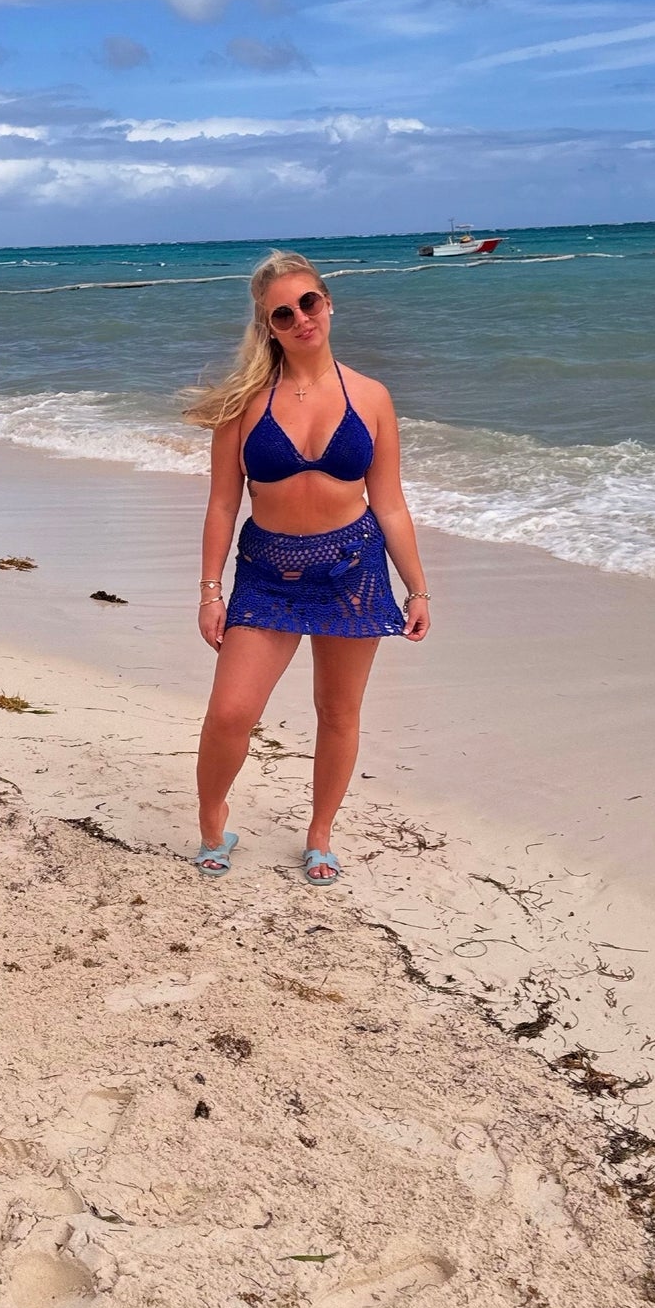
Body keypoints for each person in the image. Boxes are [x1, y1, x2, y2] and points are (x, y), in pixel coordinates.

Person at [183, 249, 430, 881]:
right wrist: (211, 591)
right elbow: (220, 503)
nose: (300, 320)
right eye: (283, 314)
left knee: (338, 713)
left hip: (353, 569)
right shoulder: (244, 405)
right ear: (268, 326)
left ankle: (320, 834)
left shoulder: (372, 397)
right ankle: (214, 819)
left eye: (308, 304)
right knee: (231, 712)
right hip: (268, 572)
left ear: (328, 303)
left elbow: (391, 503)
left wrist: (418, 589)